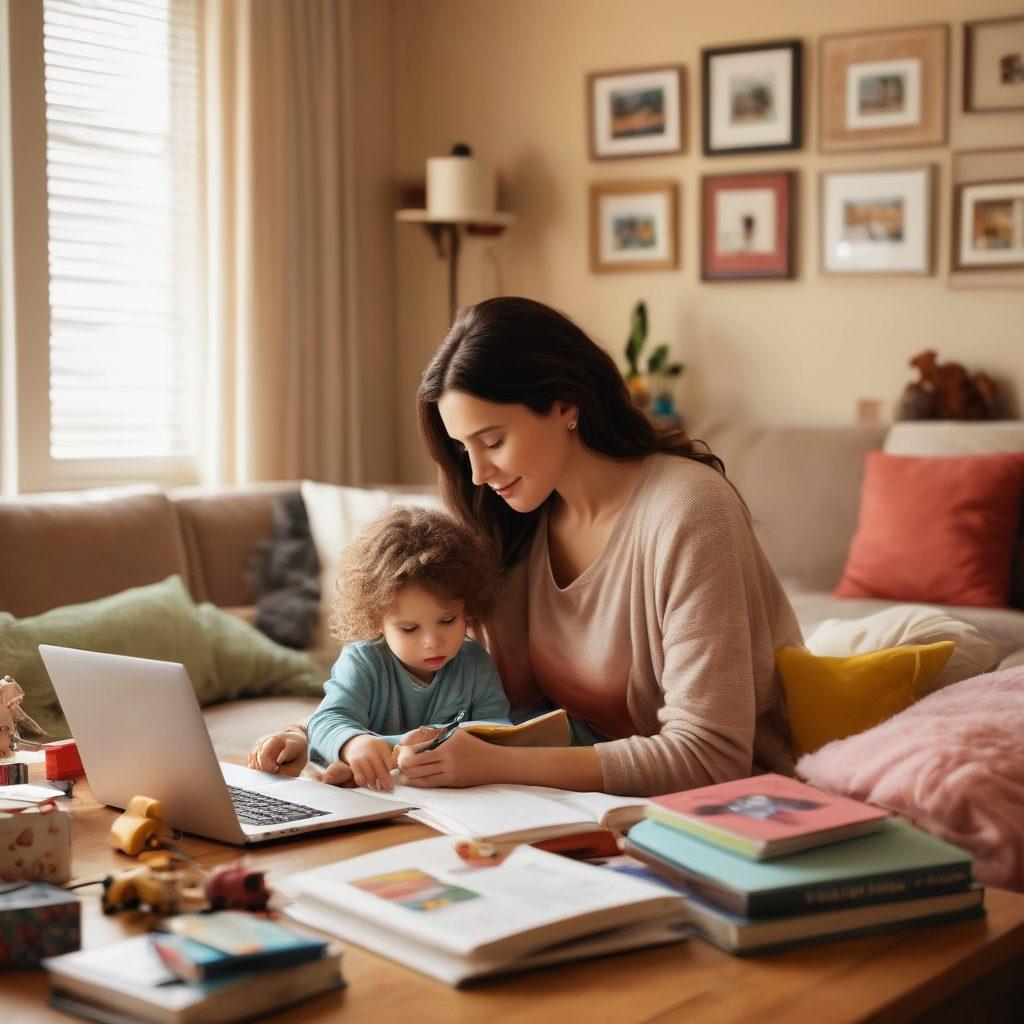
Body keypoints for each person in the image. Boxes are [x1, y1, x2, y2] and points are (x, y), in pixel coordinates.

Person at [250, 296, 802, 797]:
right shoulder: (513, 523)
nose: (478, 472)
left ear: (567, 405)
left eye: (493, 441)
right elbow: (464, 700)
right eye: (464, 448)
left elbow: (711, 757)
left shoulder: (688, 511)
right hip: (567, 803)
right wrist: (321, 735)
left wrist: (496, 765)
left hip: (725, 814)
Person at [250, 505, 510, 792]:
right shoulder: (363, 660)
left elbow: (499, 730)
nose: (432, 641)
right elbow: (327, 721)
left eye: (448, 620)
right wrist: (353, 743)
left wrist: (448, 739)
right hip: (381, 791)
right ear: (376, 620)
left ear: (467, 610)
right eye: (409, 628)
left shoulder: (474, 662)